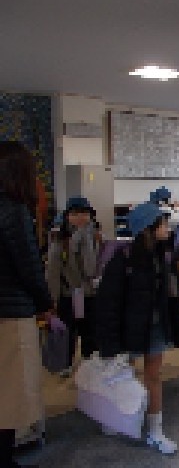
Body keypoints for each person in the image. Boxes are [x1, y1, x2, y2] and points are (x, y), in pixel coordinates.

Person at [96, 202, 179, 455]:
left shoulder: (165, 256)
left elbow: (174, 297)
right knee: (123, 376)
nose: (167, 228)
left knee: (154, 376)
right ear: (148, 228)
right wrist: (109, 343)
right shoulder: (123, 259)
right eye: (163, 224)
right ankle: (116, 418)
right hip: (128, 328)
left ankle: (155, 431)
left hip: (156, 327)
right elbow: (109, 303)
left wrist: (177, 330)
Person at [0, 140, 53, 468]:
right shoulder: (14, 210)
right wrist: (46, 303)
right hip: (11, 314)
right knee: (11, 396)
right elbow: (29, 266)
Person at [46, 196, 99, 377]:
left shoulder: (96, 236)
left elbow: (97, 265)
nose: (80, 218)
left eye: (84, 213)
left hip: (91, 292)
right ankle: (65, 363)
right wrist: (52, 300)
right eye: (75, 214)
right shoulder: (60, 239)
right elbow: (53, 272)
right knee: (69, 330)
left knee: (90, 330)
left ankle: (90, 361)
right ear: (67, 216)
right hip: (70, 293)